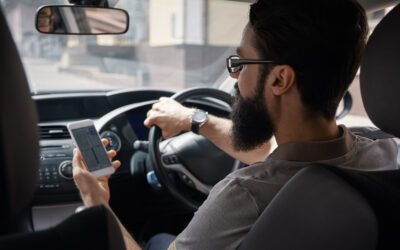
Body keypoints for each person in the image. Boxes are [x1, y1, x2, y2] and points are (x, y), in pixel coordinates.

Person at [72, 0, 399, 249]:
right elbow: (277, 158)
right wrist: (192, 119)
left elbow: (274, 168)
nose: (235, 78)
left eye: (240, 64)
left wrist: (97, 202)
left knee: (156, 238)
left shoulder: (245, 194)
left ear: (280, 79)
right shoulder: (389, 154)